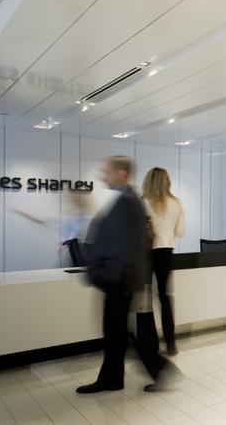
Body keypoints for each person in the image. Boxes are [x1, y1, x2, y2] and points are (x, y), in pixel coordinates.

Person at [76, 156, 148, 394]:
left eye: (106, 171)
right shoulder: (126, 199)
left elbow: (122, 246)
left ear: (121, 174)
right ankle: (114, 377)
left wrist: (108, 275)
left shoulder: (127, 201)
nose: (102, 176)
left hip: (119, 280)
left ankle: (115, 378)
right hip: (120, 279)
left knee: (115, 332)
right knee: (116, 333)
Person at [142, 167, 185, 356]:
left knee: (145, 299)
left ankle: (150, 343)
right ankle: (171, 342)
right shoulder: (176, 203)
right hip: (166, 252)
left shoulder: (143, 202)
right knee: (164, 296)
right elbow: (181, 231)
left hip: (146, 253)